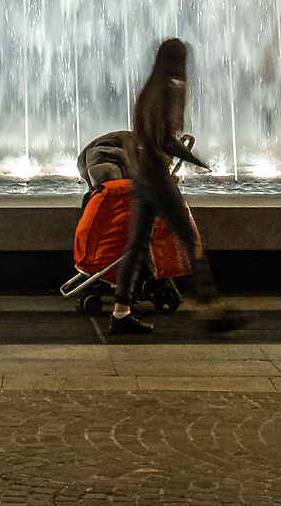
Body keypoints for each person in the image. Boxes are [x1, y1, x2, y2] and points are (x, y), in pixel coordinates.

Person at [105, 38, 246, 337]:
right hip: (157, 176)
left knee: (137, 244)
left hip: (142, 173)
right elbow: (166, 140)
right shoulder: (171, 88)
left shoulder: (149, 89)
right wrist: (196, 159)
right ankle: (210, 310)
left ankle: (120, 312)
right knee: (190, 240)